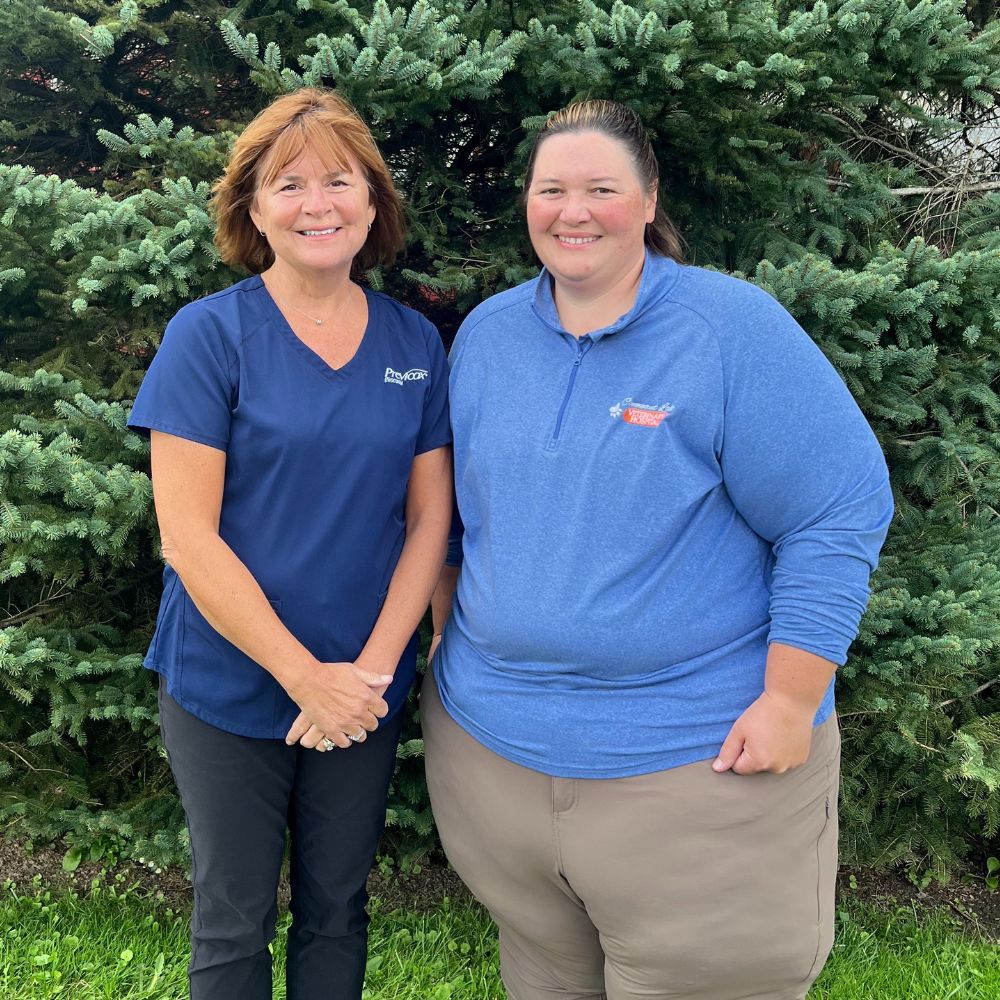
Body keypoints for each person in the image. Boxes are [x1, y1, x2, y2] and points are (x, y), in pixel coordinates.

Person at [422, 100, 893, 1000]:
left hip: (696, 767)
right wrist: (450, 635)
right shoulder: (487, 336)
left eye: (602, 188)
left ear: (647, 202)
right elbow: (455, 517)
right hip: (494, 758)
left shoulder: (727, 330)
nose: (574, 211)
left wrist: (792, 699)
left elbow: (836, 508)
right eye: (552, 189)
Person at [127, 88, 452, 1000]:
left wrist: (368, 679)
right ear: (253, 208)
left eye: (340, 180)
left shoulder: (415, 342)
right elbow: (188, 541)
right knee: (232, 921)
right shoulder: (209, 337)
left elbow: (428, 522)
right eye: (290, 183)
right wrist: (304, 676)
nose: (319, 203)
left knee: (338, 911)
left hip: (362, 688)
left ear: (373, 201)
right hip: (228, 683)